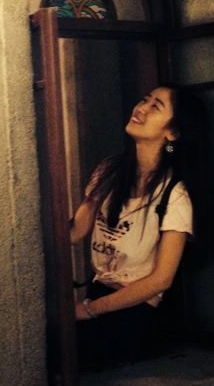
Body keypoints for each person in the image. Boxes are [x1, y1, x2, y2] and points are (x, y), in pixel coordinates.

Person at [69, 85, 204, 369]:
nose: (141, 108)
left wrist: (90, 310)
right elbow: (76, 231)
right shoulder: (109, 171)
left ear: (172, 133)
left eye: (155, 107)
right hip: (98, 294)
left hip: (136, 310)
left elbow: (161, 280)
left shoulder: (173, 195)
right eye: (144, 100)